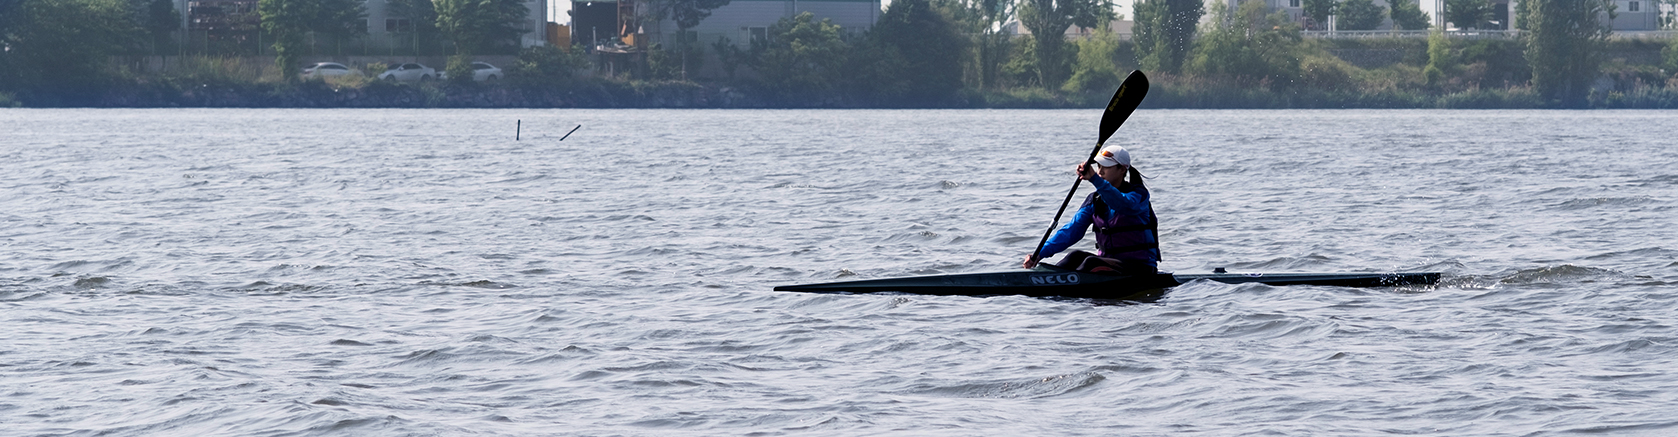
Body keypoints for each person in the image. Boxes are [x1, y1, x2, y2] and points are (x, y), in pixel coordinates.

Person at [1023, 144, 1160, 275]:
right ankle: (1047, 282)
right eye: (1099, 166)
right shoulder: (1094, 200)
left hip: (1140, 267)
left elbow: (1123, 205)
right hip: (1110, 265)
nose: (1100, 171)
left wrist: (1094, 179)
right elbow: (1071, 231)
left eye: (1106, 167)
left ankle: (1065, 288)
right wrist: (1040, 253)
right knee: (1074, 256)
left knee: (1091, 262)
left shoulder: (1138, 194)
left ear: (1122, 169)